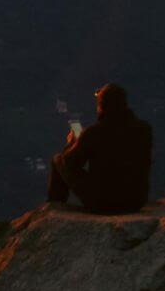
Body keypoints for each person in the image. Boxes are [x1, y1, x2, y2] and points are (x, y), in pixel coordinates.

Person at [46, 83, 152, 214]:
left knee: (57, 160)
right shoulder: (144, 129)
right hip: (136, 201)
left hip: (104, 203)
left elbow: (70, 163)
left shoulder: (94, 133)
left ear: (101, 106)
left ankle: (55, 209)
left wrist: (72, 143)